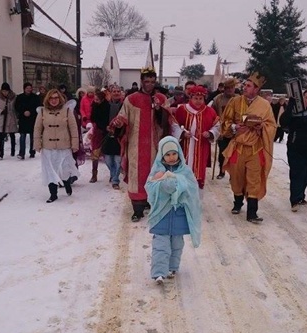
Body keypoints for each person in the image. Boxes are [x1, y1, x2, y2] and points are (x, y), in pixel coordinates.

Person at [111, 67, 173, 222]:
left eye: (152, 82)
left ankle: (153, 204)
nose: (150, 85)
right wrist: (119, 123)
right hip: (135, 145)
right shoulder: (131, 99)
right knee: (137, 175)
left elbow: (168, 122)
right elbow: (123, 116)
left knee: (155, 175)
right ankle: (137, 209)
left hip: (155, 146)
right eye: (147, 82)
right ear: (141, 82)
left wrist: (159, 110)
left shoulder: (161, 98)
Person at [221, 73, 277, 223]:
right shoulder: (235, 101)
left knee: (254, 180)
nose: (244, 88)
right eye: (244, 85)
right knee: (237, 179)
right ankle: (238, 203)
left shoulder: (265, 105)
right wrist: (234, 127)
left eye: (248, 86)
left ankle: (252, 212)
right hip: (238, 146)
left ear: (256, 89)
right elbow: (225, 121)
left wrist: (261, 127)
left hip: (256, 148)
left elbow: (272, 125)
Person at [145, 136, 201, 284]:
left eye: (174, 153)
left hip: (179, 214)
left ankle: (172, 267)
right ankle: (158, 272)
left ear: (179, 153)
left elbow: (192, 189)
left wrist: (179, 184)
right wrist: (161, 185)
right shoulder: (157, 171)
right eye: (167, 154)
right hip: (161, 215)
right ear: (162, 155)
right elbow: (149, 188)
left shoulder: (185, 171)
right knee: (161, 245)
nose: (171, 157)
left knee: (177, 244)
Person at [279, 89, 307, 211]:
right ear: (302, 98)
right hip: (296, 148)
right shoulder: (295, 111)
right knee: (297, 173)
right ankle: (294, 199)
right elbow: (283, 123)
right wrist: (290, 106)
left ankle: (300, 194)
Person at [34, 89, 80, 202]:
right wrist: (37, 143)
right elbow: (37, 128)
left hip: (64, 145)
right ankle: (53, 194)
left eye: (56, 98)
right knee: (50, 170)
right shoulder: (43, 112)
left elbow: (73, 128)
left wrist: (75, 144)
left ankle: (66, 182)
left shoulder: (67, 111)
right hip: (48, 146)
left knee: (64, 169)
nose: (53, 100)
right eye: (51, 98)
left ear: (59, 99)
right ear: (47, 99)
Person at [173, 85, 219, 190]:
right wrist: (182, 133)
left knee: (199, 172)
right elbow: (174, 125)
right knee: (183, 171)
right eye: (195, 98)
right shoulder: (182, 110)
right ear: (190, 98)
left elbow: (217, 126)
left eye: (201, 99)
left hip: (201, 147)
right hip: (185, 147)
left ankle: (196, 200)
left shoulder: (210, 111)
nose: (198, 101)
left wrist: (210, 133)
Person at [211, 78, 238, 179]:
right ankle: (221, 171)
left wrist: (244, 123)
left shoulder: (239, 99)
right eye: (228, 88)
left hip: (235, 131)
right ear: (224, 89)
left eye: (232, 88)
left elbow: (246, 113)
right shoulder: (218, 99)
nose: (230, 90)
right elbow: (212, 112)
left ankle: (232, 173)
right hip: (222, 131)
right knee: (223, 152)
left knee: (234, 154)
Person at [14, 82, 41, 160]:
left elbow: (38, 107)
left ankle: (32, 152)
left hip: (32, 119)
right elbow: (16, 107)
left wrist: (31, 112)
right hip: (23, 119)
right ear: (24, 89)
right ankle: (21, 153)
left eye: (30, 88)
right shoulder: (20, 97)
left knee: (33, 136)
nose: (29, 90)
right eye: (27, 88)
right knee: (22, 136)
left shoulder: (35, 97)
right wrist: (23, 112)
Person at [0, 82, 18, 160]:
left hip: (11, 118)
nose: (5, 93)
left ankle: (13, 151)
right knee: (1, 136)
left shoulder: (14, 97)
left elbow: (16, 106)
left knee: (12, 135)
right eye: (3, 91)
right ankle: (1, 153)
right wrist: (0, 111)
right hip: (2, 118)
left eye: (6, 91)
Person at [87, 90, 106, 183]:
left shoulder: (107, 106)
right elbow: (92, 119)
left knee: (108, 154)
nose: (95, 101)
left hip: (106, 131)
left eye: (97, 99)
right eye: (95, 99)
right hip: (97, 131)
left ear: (102, 100)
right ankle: (94, 174)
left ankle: (113, 173)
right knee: (95, 153)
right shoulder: (94, 106)